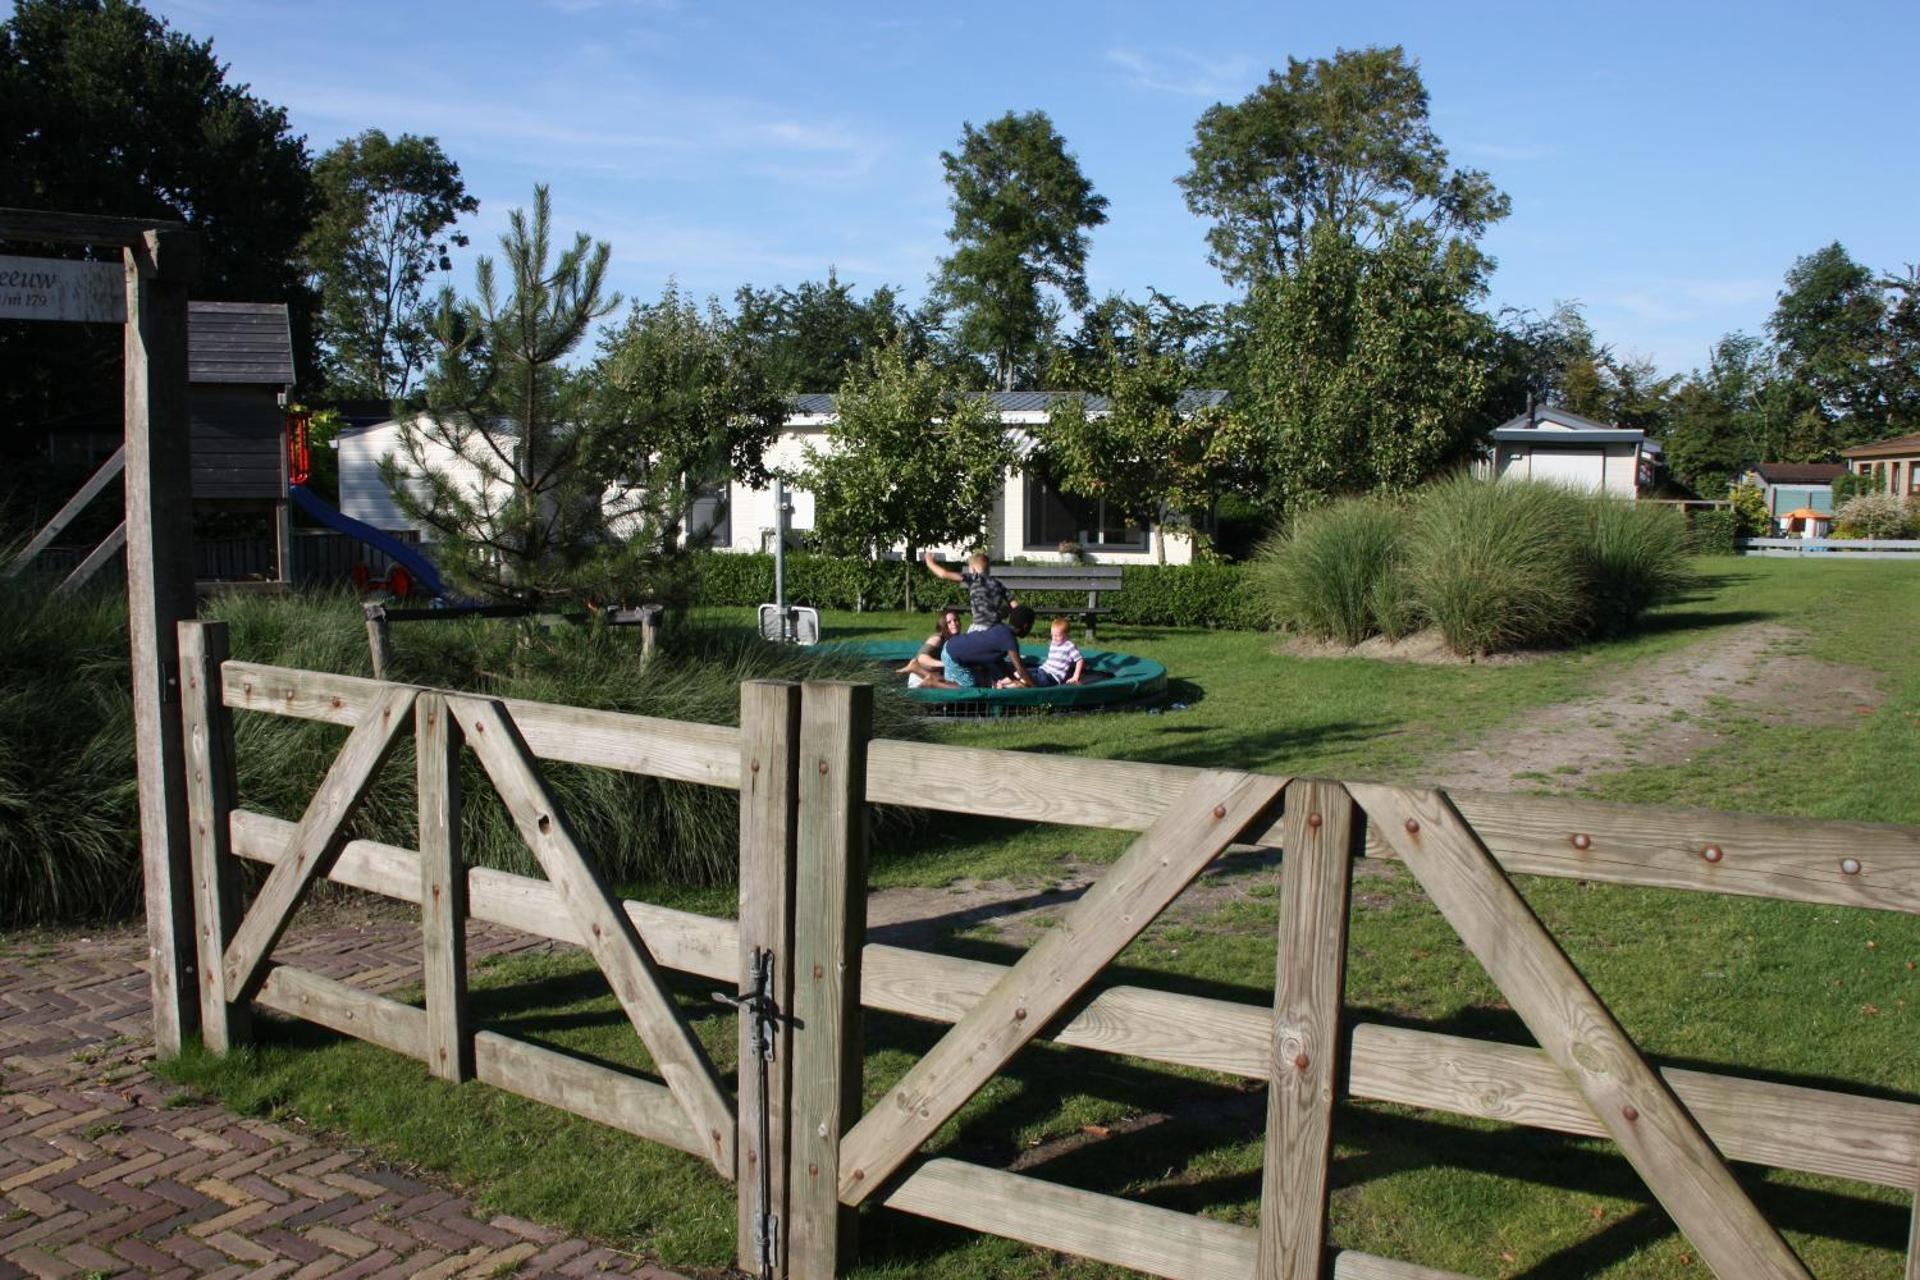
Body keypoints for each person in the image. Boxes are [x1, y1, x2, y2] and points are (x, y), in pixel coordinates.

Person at [928, 603, 1037, 689]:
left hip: (952, 646)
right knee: (968, 688)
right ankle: (932, 682)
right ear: (1025, 626)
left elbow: (998, 661)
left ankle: (935, 679)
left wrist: (1014, 680)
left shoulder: (1002, 629)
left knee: (969, 683)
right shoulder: (1009, 639)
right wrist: (1036, 690)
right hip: (953, 654)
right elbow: (1020, 669)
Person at [922, 549, 1012, 631]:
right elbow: (1014, 605)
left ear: (972, 569)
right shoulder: (999, 584)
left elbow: (943, 574)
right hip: (997, 626)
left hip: (979, 627)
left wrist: (930, 562)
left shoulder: (973, 578)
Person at [1007, 616, 1084, 688]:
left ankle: (1007, 687)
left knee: (1027, 680)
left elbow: (1079, 660)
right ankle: (1003, 682)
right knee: (1020, 672)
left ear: (1066, 635)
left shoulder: (1069, 646)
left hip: (1052, 677)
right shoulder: (1053, 643)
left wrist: (1075, 676)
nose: (1054, 638)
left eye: (1058, 636)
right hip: (1042, 669)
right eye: (1052, 635)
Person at [898, 608, 962, 687]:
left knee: (956, 684)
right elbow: (922, 658)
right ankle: (916, 668)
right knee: (957, 686)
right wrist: (946, 664)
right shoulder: (937, 638)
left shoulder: (955, 639)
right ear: (943, 625)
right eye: (949, 622)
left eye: (955, 620)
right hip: (920, 678)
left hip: (933, 676)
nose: (954, 623)